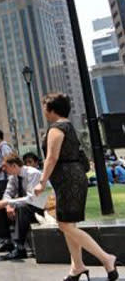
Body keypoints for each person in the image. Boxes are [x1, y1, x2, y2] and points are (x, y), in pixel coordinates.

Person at [35, 93, 119, 281]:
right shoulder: (68, 126)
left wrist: (41, 182)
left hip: (67, 180)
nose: (44, 111)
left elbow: (52, 157)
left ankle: (106, 258)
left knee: (65, 225)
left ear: (51, 109)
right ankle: (77, 267)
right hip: (73, 177)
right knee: (69, 224)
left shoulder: (56, 129)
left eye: (44, 108)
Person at [0, 153, 47, 260]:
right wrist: (8, 204)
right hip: (29, 205)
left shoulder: (33, 174)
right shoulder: (13, 176)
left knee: (22, 209)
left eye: (6, 167)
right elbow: (8, 193)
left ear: (14, 165)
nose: (4, 169)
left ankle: (20, 248)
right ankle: (7, 241)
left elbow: (31, 199)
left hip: (42, 206)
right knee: (1, 206)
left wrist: (9, 202)